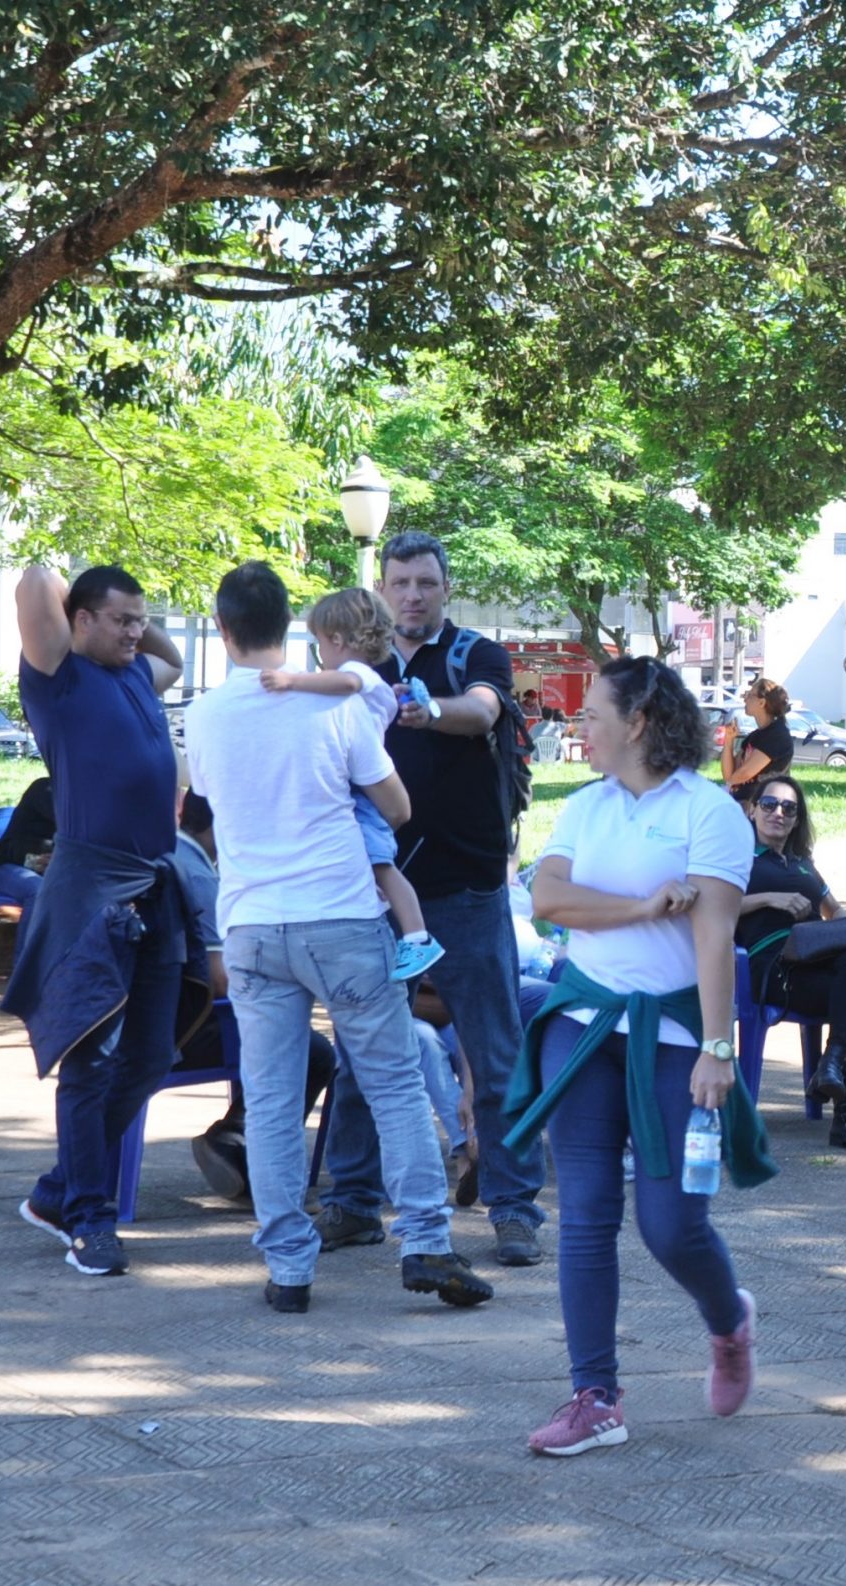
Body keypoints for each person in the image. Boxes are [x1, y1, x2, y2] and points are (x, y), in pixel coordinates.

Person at [186, 560, 490, 1313]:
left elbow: (212, 802)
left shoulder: (205, 713)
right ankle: (426, 1242)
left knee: (270, 1097)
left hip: (252, 924)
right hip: (340, 916)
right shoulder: (338, 703)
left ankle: (288, 1266)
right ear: (289, 624)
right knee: (392, 1082)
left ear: (223, 630)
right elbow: (395, 807)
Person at [507, 656, 764, 1456]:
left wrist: (718, 1049)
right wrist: (646, 906)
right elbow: (549, 901)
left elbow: (714, 934)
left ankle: (728, 1322)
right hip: (581, 1025)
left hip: (676, 1036)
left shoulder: (709, 812)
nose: (579, 726)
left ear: (639, 722)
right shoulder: (585, 806)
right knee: (585, 1216)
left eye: (593, 714)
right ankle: (596, 1397)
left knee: (671, 1225)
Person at [318, 530, 545, 1267]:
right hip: (374, 892)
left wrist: (428, 712)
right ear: (382, 590)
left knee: (496, 1054)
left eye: (425, 582)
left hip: (467, 888)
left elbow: (483, 711)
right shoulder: (359, 665)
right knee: (361, 1052)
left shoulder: (476, 654)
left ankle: (515, 1209)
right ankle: (353, 1202)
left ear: (447, 588)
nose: (413, 595)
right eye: (400, 583)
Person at [2, 564, 187, 1279]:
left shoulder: (137, 673)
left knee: (152, 1058)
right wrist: (81, 599)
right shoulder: (58, 679)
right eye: (121, 620)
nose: (137, 632)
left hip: (156, 888)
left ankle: (58, 1189)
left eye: (141, 619)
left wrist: (132, 622)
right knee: (92, 1061)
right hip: (93, 894)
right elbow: (33, 581)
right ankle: (88, 1216)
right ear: (79, 621)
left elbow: (171, 659)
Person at [255, 587, 443, 981]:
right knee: (372, 864)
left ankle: (417, 936)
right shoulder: (376, 682)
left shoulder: (355, 677)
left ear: (338, 640)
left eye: (320, 644)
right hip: (361, 789)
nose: (320, 656)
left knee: (383, 865)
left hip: (364, 793)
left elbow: (344, 684)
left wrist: (292, 681)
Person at [173, 791, 340, 1206]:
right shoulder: (199, 875)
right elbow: (220, 980)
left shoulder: (168, 854)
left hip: (144, 1021)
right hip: (186, 1031)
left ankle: (234, 1138)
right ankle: (255, 1161)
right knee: (313, 1050)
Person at [737, 775, 846, 1152]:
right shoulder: (737, 857)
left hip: (818, 959)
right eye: (769, 804)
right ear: (752, 810)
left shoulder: (803, 864)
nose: (778, 813)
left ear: (797, 819)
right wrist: (769, 899)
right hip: (773, 967)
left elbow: (834, 910)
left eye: (789, 808)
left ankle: (832, 1060)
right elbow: (710, 905)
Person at [722, 676, 795, 803]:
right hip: (743, 802)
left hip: (764, 806)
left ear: (761, 703)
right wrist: (729, 741)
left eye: (750, 695)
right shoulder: (754, 736)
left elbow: (744, 774)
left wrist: (727, 785)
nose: (745, 699)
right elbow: (729, 775)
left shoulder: (777, 735)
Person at [0, 774, 54, 905]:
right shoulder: (44, 789)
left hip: (54, 870)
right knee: (40, 892)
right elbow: (73, 831)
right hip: (10, 865)